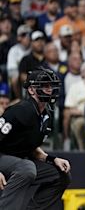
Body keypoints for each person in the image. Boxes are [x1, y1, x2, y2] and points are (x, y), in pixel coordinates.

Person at [0, 67, 71, 209]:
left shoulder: (47, 115)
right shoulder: (20, 111)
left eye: (51, 85)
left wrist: (51, 159)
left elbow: (29, 146)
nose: (49, 89)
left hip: (19, 160)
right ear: (31, 90)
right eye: (45, 85)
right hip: (3, 157)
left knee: (60, 175)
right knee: (27, 168)